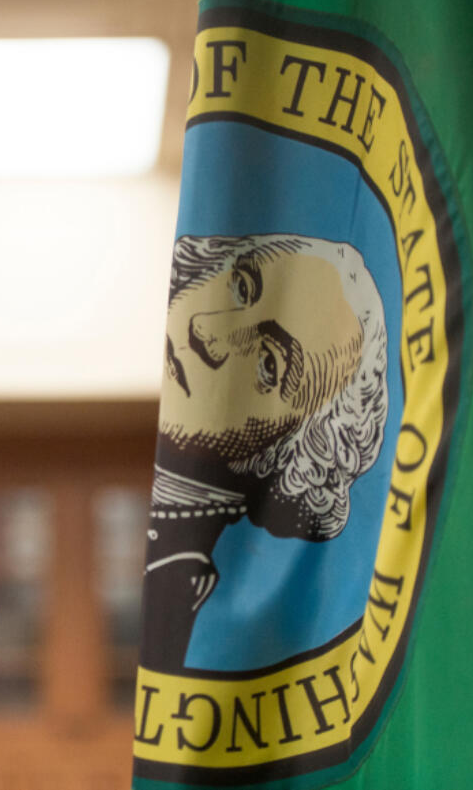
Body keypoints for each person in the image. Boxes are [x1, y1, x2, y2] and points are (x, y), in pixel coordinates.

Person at [141, 233, 388, 669]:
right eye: (242, 286)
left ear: (285, 455)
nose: (207, 330)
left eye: (267, 364)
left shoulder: (199, 628)